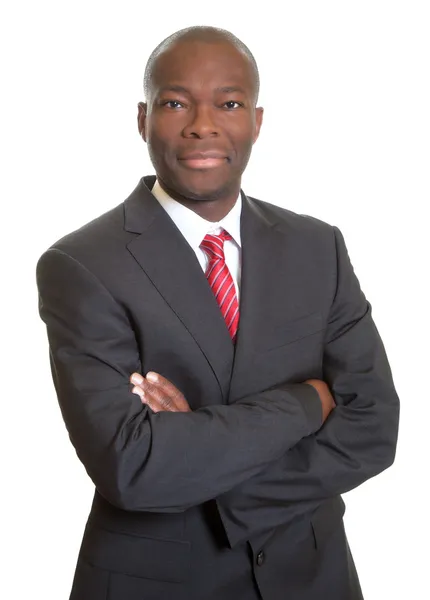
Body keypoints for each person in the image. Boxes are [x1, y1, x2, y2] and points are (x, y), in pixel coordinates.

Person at [36, 25, 400, 600]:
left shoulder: (317, 247)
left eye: (228, 103)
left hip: (313, 577)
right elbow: (135, 467)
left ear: (256, 121)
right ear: (142, 119)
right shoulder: (82, 266)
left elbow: (375, 426)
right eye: (175, 102)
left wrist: (201, 461)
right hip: (158, 584)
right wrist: (308, 401)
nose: (202, 124)